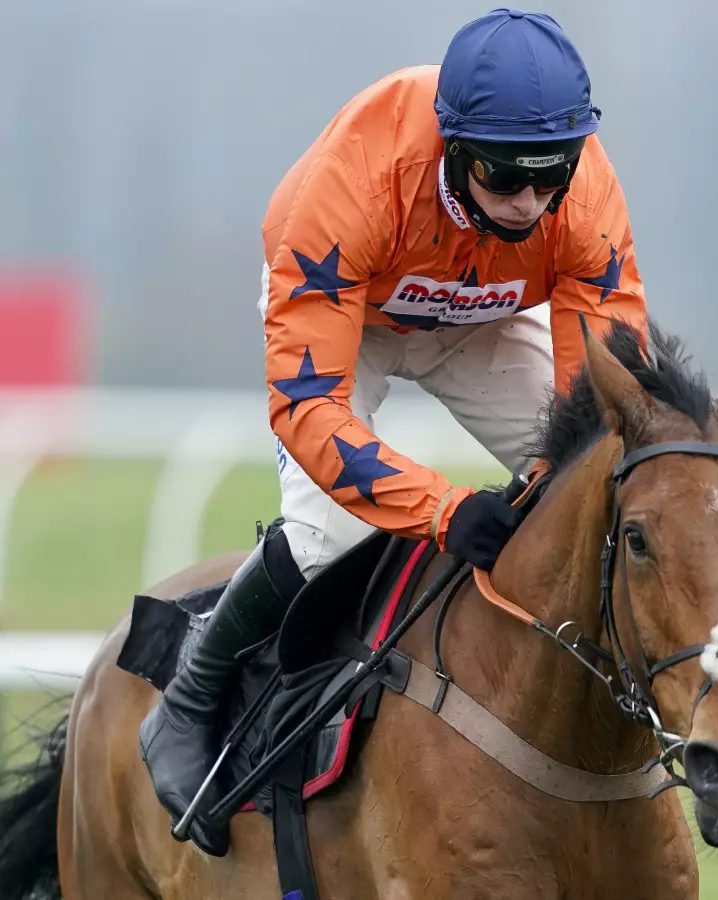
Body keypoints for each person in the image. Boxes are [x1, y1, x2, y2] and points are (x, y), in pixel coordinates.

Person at [138, 8, 647, 856]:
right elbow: (311, 413)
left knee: (597, 489)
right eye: (502, 176)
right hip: (354, 317)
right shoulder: (349, 188)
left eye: (548, 176)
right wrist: (448, 510)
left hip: (481, 318)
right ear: (453, 146)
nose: (528, 203)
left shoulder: (583, 193)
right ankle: (189, 697)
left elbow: (605, 398)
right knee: (328, 535)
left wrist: (561, 474)